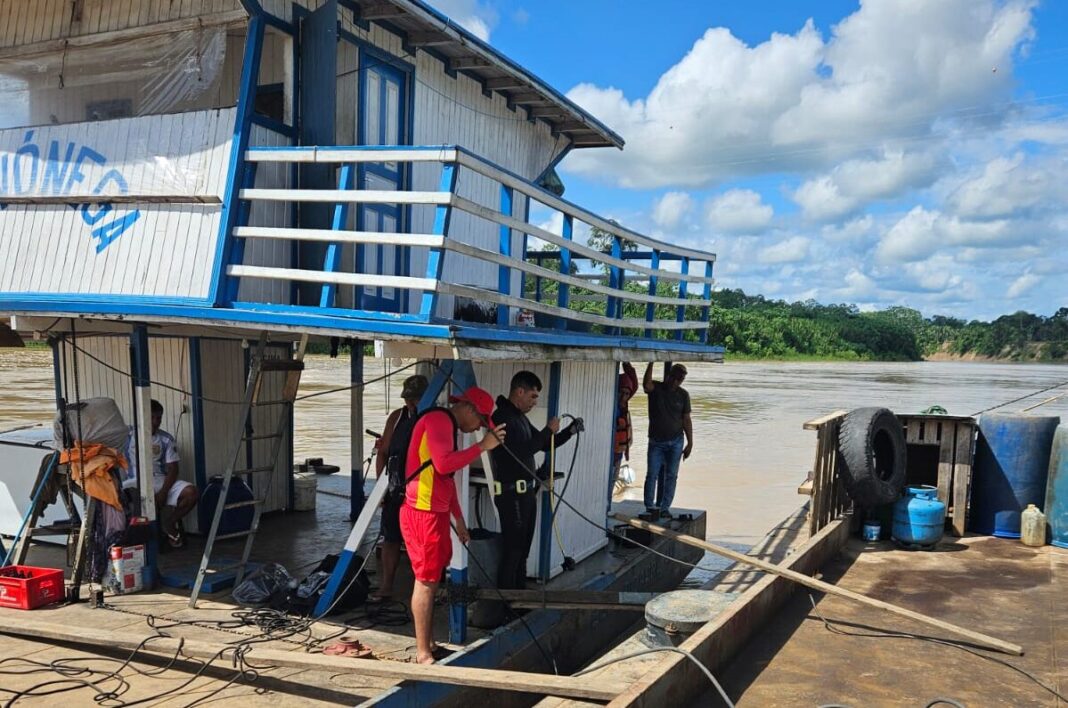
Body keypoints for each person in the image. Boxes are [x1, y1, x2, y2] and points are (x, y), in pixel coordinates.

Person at [401, 385, 505, 664]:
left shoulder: (449, 427)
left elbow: (445, 480)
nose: (478, 428)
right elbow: (445, 465)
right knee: (425, 582)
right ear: (469, 409)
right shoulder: (437, 420)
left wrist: (459, 519)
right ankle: (423, 652)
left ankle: (430, 643)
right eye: (480, 421)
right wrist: (482, 446)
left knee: (433, 579)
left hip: (436, 512)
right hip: (421, 512)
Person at [490, 371, 580, 590]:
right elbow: (522, 451)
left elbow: (541, 444)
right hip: (511, 495)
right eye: (532, 396)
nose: (534, 402)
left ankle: (519, 596)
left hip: (526, 494)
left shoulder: (519, 417)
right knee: (513, 549)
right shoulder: (502, 417)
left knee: (523, 550)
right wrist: (548, 429)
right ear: (519, 392)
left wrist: (569, 431)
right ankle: (506, 601)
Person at [371, 374, 428, 602]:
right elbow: (383, 453)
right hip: (395, 487)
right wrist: (380, 488)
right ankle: (387, 585)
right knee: (391, 538)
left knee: (420, 543)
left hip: (420, 489)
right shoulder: (397, 418)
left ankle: (422, 589)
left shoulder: (433, 417)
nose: (410, 403)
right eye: (408, 399)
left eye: (415, 399)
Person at [125, 399, 198, 547]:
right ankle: (132, 540)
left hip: (159, 481)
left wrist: (164, 492)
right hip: (133, 481)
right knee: (125, 497)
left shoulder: (165, 438)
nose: (155, 421)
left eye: (158, 418)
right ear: (142, 416)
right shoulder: (128, 435)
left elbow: (173, 469)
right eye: (151, 417)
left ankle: (169, 523)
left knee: (192, 493)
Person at [642, 363, 693, 518]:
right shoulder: (656, 388)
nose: (676, 382)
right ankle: (650, 507)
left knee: (671, 475)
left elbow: (686, 419)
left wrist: (690, 443)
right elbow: (646, 385)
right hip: (656, 441)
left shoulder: (683, 395)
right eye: (675, 377)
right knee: (652, 474)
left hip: (676, 441)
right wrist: (651, 362)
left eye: (680, 379)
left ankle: (664, 508)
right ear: (669, 375)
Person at [612, 362, 638, 490]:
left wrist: (625, 362)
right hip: (608, 453)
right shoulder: (612, 406)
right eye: (621, 392)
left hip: (618, 454)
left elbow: (634, 384)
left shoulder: (624, 405)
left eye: (627, 394)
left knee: (613, 480)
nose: (623, 396)